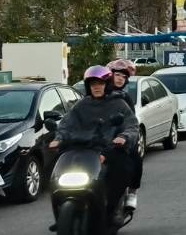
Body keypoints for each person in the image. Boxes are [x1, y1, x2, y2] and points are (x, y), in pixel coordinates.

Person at [52, 65, 137, 218]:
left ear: (107, 85)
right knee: (58, 174)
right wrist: (58, 139)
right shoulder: (81, 105)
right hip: (82, 149)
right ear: (88, 86)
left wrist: (124, 137)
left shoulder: (119, 104)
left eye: (100, 83)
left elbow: (132, 125)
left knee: (122, 170)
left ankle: (111, 210)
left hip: (110, 148)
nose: (96, 87)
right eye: (93, 84)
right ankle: (61, 213)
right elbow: (66, 124)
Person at [106, 58, 144, 209]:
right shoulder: (96, 95)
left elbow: (131, 121)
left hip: (120, 139)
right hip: (98, 139)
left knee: (135, 158)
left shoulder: (125, 97)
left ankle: (132, 192)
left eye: (124, 76)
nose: (121, 79)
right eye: (117, 75)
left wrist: (125, 136)